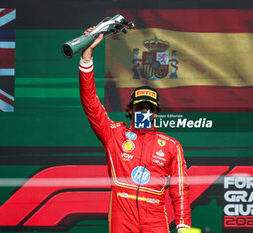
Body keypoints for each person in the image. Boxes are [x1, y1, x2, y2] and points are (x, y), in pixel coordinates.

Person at [79, 27, 191, 233]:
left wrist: (183, 224)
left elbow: (180, 189)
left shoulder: (171, 146)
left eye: (149, 108)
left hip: (155, 217)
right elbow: (90, 102)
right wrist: (87, 57)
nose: (144, 111)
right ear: (130, 110)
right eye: (140, 107)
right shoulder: (114, 133)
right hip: (122, 214)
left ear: (156, 113)